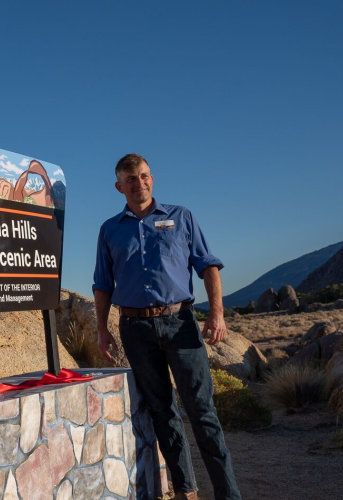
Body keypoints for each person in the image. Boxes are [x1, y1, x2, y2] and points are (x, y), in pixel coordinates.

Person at [93, 154, 241, 500]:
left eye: (144, 176)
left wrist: (216, 314)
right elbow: (102, 284)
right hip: (135, 329)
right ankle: (186, 491)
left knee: (202, 412)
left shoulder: (181, 217)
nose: (139, 182)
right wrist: (102, 329)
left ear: (152, 179)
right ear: (119, 186)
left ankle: (228, 494)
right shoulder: (109, 230)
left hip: (181, 325)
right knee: (163, 411)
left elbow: (208, 266)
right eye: (131, 178)